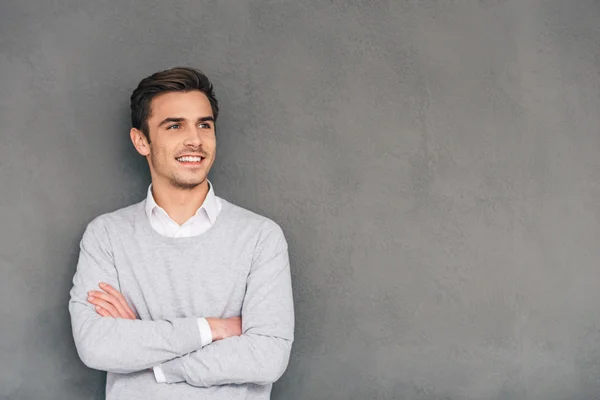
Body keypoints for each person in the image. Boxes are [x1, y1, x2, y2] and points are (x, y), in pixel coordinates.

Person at [68, 67, 295, 400]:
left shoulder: (261, 237)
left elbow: (267, 358)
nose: (195, 139)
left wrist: (151, 358)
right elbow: (97, 347)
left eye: (204, 124)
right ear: (141, 140)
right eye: (175, 126)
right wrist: (214, 329)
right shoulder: (106, 236)